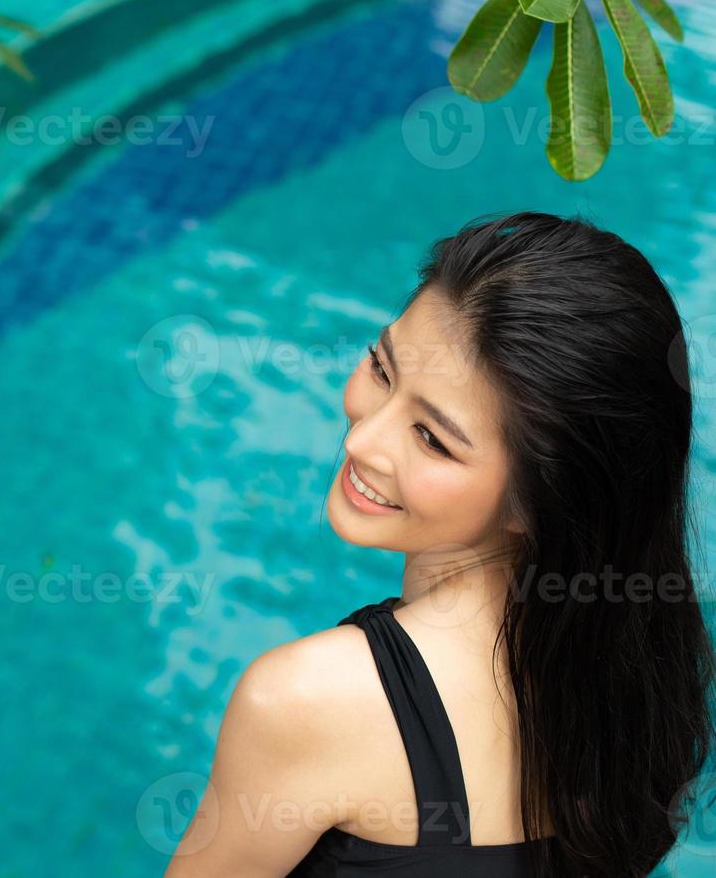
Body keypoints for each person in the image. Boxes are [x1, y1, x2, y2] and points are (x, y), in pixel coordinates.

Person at [164, 212, 715, 877]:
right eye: (381, 368)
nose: (362, 441)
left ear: (537, 500)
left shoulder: (308, 701)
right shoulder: (642, 686)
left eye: (432, 439)